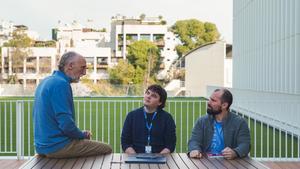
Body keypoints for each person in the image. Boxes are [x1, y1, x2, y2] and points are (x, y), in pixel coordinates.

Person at [33, 51, 112, 158]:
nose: (84, 72)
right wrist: (82, 135)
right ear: (70, 66)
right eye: (82, 68)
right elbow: (66, 125)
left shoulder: (46, 81)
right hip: (57, 147)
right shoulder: (61, 84)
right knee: (107, 149)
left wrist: (79, 133)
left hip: (41, 147)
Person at [188, 88, 250, 159]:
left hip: (231, 164)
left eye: (213, 100)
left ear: (224, 105)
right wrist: (194, 149)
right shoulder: (202, 121)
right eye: (210, 99)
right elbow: (194, 140)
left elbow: (245, 145)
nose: (208, 102)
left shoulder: (240, 122)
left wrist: (235, 152)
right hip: (205, 163)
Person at [121, 84, 176, 154]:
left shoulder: (167, 118)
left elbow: (170, 145)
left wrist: (158, 158)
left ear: (160, 102)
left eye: (154, 96)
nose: (148, 96)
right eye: (148, 93)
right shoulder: (131, 116)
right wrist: (135, 157)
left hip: (159, 159)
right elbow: (125, 143)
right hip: (135, 158)